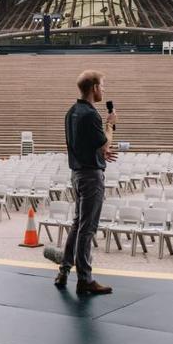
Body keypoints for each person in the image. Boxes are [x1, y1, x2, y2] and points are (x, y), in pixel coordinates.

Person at [54, 70, 117, 295]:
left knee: (77, 223)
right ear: (94, 88)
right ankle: (85, 279)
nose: (104, 90)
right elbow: (104, 142)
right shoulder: (91, 115)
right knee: (87, 228)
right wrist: (110, 125)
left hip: (77, 173)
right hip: (91, 176)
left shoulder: (71, 112)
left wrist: (100, 152)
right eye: (102, 86)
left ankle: (64, 271)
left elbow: (82, 144)